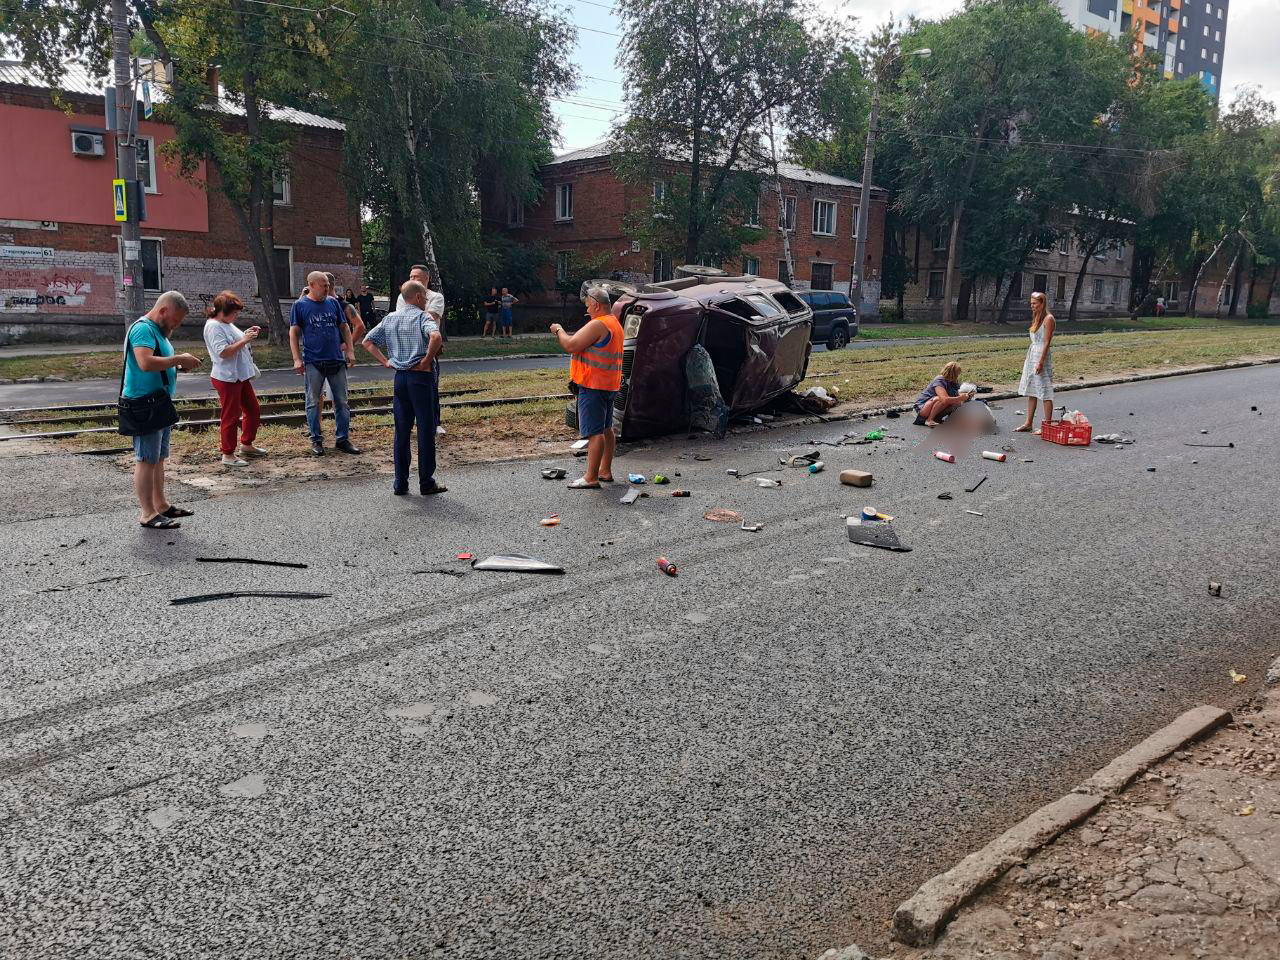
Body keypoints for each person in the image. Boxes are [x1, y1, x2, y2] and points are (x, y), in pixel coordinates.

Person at [124, 291, 202, 529]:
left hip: (159, 404)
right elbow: (145, 362)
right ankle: (147, 513)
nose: (176, 325)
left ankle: (161, 505)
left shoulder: (158, 332)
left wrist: (177, 366)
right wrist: (180, 357)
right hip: (144, 404)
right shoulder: (143, 329)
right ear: (164, 310)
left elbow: (159, 363)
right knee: (146, 459)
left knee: (158, 458)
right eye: (175, 320)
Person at [362, 280, 447, 496]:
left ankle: (400, 483)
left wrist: (385, 361)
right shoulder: (422, 317)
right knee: (425, 430)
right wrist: (427, 360)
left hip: (400, 378)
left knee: (402, 431)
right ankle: (426, 482)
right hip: (420, 377)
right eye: (425, 298)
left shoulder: (390, 318)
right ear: (418, 297)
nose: (426, 301)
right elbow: (435, 336)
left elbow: (367, 341)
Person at [552, 285, 623, 488]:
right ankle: (605, 471)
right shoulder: (614, 324)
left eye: (588, 307)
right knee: (606, 428)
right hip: (609, 385)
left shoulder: (598, 324)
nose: (587, 311)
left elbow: (570, 345)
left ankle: (591, 477)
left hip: (593, 385)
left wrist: (558, 330)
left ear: (596, 304)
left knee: (594, 432)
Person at [290, 270, 361, 457]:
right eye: (324, 285)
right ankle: (316, 440)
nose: (327, 288)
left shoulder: (333, 303)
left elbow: (345, 327)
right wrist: (297, 359)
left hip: (336, 360)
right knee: (313, 401)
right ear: (311, 285)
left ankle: (342, 439)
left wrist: (351, 351)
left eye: (328, 285)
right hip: (314, 361)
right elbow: (294, 333)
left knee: (342, 402)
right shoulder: (300, 306)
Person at [203, 290, 266, 467]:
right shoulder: (214, 326)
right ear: (222, 312)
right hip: (228, 377)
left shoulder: (225, 323)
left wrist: (246, 334)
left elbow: (234, 340)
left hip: (240, 376)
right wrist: (245, 339)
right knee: (231, 416)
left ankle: (247, 444)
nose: (236, 316)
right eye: (234, 313)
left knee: (252, 409)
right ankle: (228, 454)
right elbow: (223, 352)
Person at [396, 264, 446, 435]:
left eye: (416, 277)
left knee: (432, 386)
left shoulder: (435, 297)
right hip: (408, 347)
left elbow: (431, 317)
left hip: (428, 348)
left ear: (426, 279)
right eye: (410, 277)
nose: (412, 279)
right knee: (406, 389)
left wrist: (412, 315)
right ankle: (409, 424)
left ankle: (434, 422)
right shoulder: (402, 297)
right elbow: (400, 320)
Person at [1016, 290, 1056, 434]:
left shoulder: (1048, 319)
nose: (1032, 306)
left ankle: (1048, 425)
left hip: (1041, 356)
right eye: (1031, 303)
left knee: (1045, 390)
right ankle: (1028, 423)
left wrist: (1040, 361)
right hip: (1032, 354)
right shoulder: (1037, 317)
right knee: (1032, 390)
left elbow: (1046, 342)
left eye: (1034, 303)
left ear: (1042, 303)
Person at [914, 361, 973, 427]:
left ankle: (937, 418)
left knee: (957, 402)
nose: (958, 375)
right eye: (957, 373)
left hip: (932, 406)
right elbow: (944, 399)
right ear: (952, 373)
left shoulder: (953, 382)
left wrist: (966, 396)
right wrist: (959, 398)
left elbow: (955, 395)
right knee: (941, 399)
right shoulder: (939, 380)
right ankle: (929, 420)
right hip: (923, 408)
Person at [327, 272, 366, 343]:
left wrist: (348, 344)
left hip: (339, 347)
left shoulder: (343, 304)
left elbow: (360, 326)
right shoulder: (316, 303)